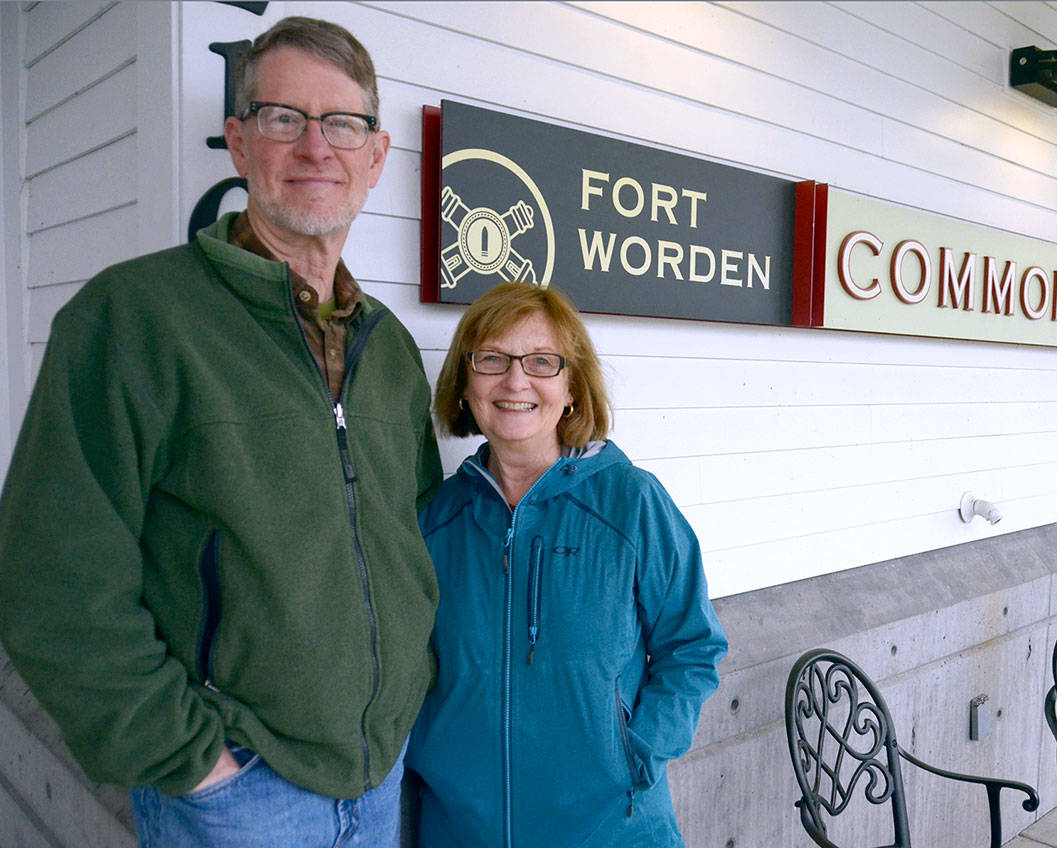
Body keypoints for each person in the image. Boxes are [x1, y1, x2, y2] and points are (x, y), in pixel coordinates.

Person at [0, 16, 441, 847]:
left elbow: (411, 536)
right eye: (284, 118)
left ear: (377, 156)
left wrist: (410, 696)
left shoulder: (388, 349)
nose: (316, 146)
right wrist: (190, 758)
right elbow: (51, 575)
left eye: (343, 123)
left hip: (383, 775)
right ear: (240, 143)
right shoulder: (134, 317)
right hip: (238, 794)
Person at [407, 281, 728, 847]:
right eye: (491, 359)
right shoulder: (434, 519)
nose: (515, 380)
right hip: (462, 829)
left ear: (572, 387)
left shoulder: (631, 503)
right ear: (464, 383)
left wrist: (635, 756)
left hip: (611, 828)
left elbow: (693, 647)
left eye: (542, 361)